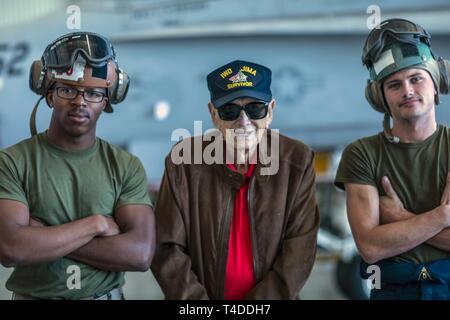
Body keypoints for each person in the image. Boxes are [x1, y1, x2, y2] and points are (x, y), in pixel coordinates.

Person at [0, 32, 155, 300]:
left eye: (93, 93)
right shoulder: (12, 162)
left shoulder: (126, 166)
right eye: (67, 89)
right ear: (49, 97)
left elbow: (139, 254)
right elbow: (11, 248)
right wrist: (95, 225)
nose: (80, 102)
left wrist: (45, 236)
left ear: (105, 103)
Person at [151, 60, 319, 299]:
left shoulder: (297, 161)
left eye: (255, 109)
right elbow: (166, 247)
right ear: (213, 113)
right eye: (229, 110)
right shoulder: (183, 161)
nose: (243, 122)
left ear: (271, 110)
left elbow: (299, 251)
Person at [335, 18, 450, 299]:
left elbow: (381, 239)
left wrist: (399, 217)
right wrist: (443, 216)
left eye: (416, 79)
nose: (407, 91)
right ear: (381, 98)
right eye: (394, 85)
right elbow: (371, 247)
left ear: (436, 83)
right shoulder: (362, 154)